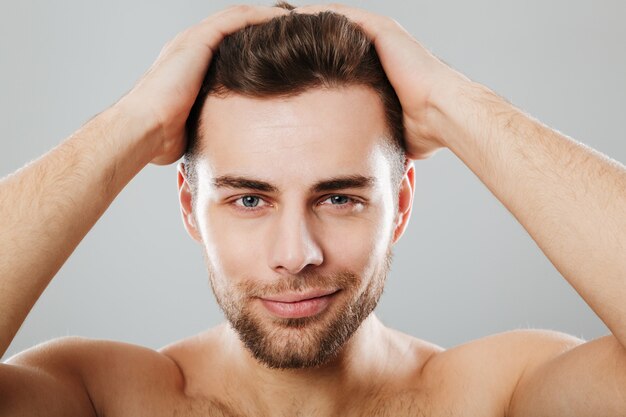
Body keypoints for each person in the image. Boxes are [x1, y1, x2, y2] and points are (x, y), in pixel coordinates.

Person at [1, 2, 625, 416]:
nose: (296, 255)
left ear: (401, 204)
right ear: (190, 208)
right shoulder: (100, 399)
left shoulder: (498, 396)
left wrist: (448, 103)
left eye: (339, 198)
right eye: (249, 199)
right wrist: (130, 123)